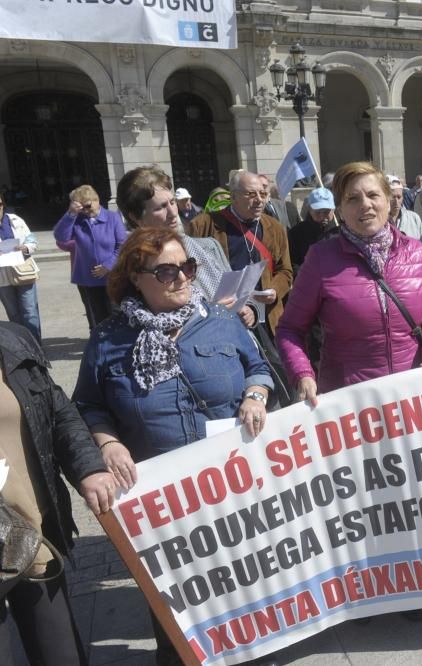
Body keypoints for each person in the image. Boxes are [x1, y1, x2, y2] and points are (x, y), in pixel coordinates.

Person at [73, 226, 273, 663]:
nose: (183, 277)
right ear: (135, 278)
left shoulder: (220, 322)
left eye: (187, 266)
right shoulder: (107, 340)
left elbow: (258, 366)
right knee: (175, 608)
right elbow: (87, 405)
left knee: (247, 589)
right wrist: (107, 443)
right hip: (164, 505)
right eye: (166, 271)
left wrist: (256, 394)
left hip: (234, 491)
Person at [276, 160, 422, 402]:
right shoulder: (320, 258)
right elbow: (289, 330)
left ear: (388, 201)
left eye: (372, 195)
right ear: (340, 210)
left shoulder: (414, 251)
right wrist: (303, 374)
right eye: (352, 199)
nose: (365, 205)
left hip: (412, 395)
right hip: (351, 404)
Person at [0, 322, 115, 666]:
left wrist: (88, 467)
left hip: (32, 537)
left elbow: (59, 411)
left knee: (61, 657)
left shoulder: (12, 340)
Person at [115, 166, 263, 329]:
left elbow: (238, 295)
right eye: (161, 207)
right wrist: (212, 315)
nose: (172, 212)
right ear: (135, 217)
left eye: (172, 202)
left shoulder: (209, 246)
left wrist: (249, 310)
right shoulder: (136, 266)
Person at [188, 171, 293, 335]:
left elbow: (285, 270)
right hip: (222, 319)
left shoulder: (276, 228)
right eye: (251, 194)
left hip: (267, 318)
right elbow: (191, 275)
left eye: (263, 194)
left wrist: (274, 290)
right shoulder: (203, 225)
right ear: (233, 196)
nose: (259, 199)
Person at [53, 185, 127, 331]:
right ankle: (100, 346)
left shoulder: (112, 218)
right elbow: (61, 237)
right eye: (81, 208)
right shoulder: (78, 219)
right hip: (88, 278)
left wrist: (108, 265)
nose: (85, 211)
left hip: (111, 276)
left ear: (96, 200)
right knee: (96, 318)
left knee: (116, 314)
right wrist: (71, 214)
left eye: (87, 206)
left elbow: (122, 245)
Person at [0, 193, 41, 341]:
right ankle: (21, 348)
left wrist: (25, 247)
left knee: (29, 312)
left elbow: (32, 240)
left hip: (24, 271)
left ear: (3, 205)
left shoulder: (16, 220)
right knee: (13, 314)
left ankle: (35, 347)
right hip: (2, 277)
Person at [290, 187, 337, 271]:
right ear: (310, 209)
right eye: (318, 212)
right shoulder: (296, 233)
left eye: (326, 211)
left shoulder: (344, 232)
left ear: (333, 209)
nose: (322, 216)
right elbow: (292, 263)